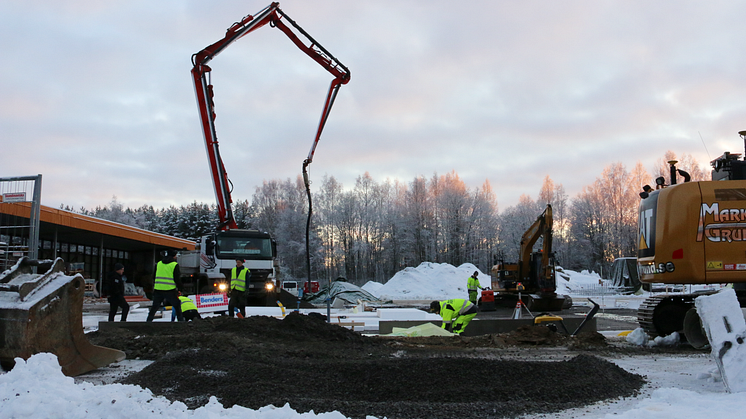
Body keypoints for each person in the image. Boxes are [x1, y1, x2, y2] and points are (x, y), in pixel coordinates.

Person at [146, 249, 184, 322]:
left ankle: (148, 321)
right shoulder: (174, 265)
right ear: (174, 255)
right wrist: (180, 288)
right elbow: (177, 278)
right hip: (170, 290)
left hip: (158, 289)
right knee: (177, 305)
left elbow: (154, 276)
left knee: (155, 307)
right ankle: (181, 322)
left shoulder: (159, 263)